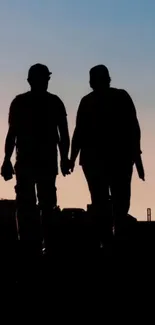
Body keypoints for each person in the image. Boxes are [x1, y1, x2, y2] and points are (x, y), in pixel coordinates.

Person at [70, 64, 144, 242]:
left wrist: (71, 159)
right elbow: (134, 129)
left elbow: (78, 134)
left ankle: (107, 240)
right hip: (119, 161)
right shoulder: (121, 97)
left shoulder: (87, 101)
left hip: (98, 162)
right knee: (120, 201)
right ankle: (115, 238)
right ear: (109, 79)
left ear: (91, 82)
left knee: (101, 202)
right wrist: (137, 160)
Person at [1, 63, 70, 253]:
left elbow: (12, 134)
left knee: (32, 205)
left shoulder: (22, 102)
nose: (45, 82)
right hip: (37, 162)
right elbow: (63, 135)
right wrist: (64, 158)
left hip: (32, 162)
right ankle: (39, 245)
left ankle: (32, 245)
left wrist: (7, 160)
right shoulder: (53, 102)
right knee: (38, 205)